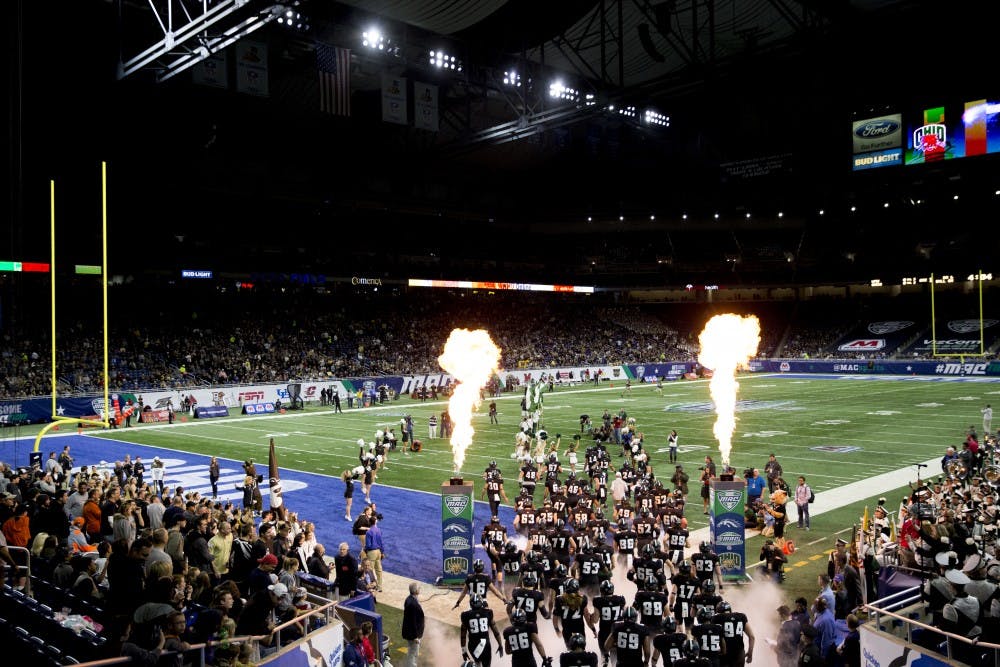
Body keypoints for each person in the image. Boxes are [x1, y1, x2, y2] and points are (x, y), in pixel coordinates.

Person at [460, 594, 503, 667]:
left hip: (473, 645)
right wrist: (500, 644)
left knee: (477, 665)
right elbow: (496, 631)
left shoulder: (465, 615)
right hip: (486, 645)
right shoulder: (488, 612)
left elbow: (463, 635)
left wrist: (464, 651)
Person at [402, 581, 425, 667]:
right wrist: (415, 636)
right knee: (413, 653)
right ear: (415, 591)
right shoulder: (413, 604)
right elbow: (413, 621)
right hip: (413, 634)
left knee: (412, 652)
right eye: (419, 588)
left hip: (410, 632)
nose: (420, 589)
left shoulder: (409, 599)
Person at [364, 514, 385, 592]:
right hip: (378, 552)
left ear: (369, 523)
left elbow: (368, 545)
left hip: (372, 552)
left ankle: (370, 586)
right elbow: (381, 542)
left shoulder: (369, 532)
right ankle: (380, 587)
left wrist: (366, 550)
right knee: (379, 570)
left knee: (369, 570)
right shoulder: (379, 530)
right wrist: (382, 552)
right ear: (375, 522)